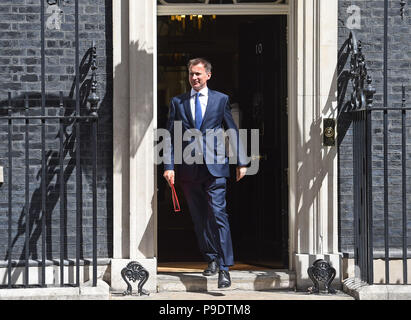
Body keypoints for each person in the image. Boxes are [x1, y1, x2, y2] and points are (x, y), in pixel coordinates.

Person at [163, 58, 247, 288]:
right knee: (200, 218)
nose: (195, 78)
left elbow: (232, 129)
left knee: (218, 214)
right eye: (191, 74)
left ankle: (224, 268)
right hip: (189, 169)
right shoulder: (178, 102)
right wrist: (169, 166)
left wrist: (241, 161)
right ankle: (210, 257)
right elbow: (170, 136)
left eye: (199, 74)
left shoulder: (221, 100)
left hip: (215, 166)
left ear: (208, 75)